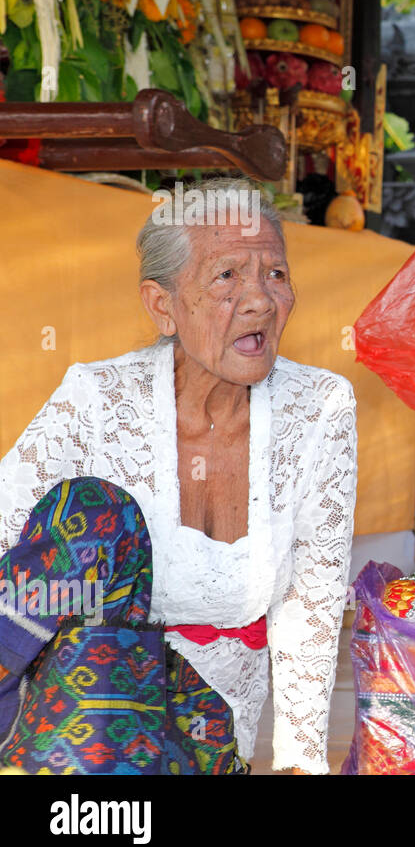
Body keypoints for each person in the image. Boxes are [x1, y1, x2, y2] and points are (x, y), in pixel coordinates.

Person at [0, 179, 357, 774]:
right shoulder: (96, 399)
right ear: (162, 305)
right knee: (94, 510)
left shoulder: (320, 407)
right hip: (78, 718)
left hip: (208, 736)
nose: (261, 300)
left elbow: (310, 605)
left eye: (275, 274)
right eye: (227, 276)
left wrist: (301, 763)